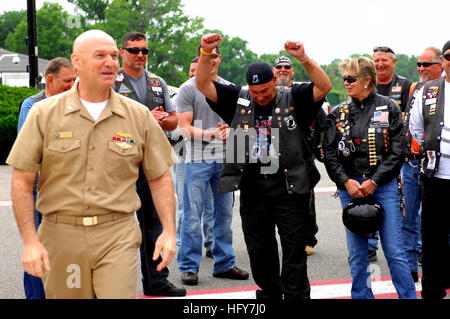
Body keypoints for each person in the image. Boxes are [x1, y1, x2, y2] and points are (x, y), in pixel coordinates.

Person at [6, 29, 177, 299]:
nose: (110, 62)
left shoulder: (138, 116)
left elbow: (160, 177)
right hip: (63, 238)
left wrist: (169, 231)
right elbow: (22, 180)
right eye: (99, 56)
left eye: (112, 55)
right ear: (77, 62)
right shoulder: (44, 113)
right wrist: (29, 240)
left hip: (117, 236)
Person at [196, 33, 332, 300]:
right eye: (255, 92)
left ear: (274, 79)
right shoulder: (238, 98)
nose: (260, 96)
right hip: (253, 189)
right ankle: (270, 292)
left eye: (266, 90)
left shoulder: (294, 96)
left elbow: (324, 85)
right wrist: (204, 53)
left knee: (294, 252)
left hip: (289, 189)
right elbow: (202, 84)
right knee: (260, 250)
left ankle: (296, 295)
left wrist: (303, 58)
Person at [323, 56, 417, 299]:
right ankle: (362, 296)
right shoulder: (338, 112)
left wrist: (374, 180)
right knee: (357, 253)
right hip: (350, 188)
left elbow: (399, 151)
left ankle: (407, 296)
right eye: (344, 78)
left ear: (367, 80)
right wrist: (345, 181)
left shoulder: (390, 107)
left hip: (383, 187)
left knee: (395, 251)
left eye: (350, 78)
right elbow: (329, 153)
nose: (345, 82)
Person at [114, 31, 184, 297]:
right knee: (119, 225)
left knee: (154, 225)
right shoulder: (112, 82)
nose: (140, 55)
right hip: (122, 162)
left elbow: (175, 120)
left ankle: (157, 282)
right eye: (134, 50)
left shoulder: (157, 82)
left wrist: (165, 120)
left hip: (152, 162)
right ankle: (116, 284)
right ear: (123, 52)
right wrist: (146, 120)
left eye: (144, 50)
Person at [176, 43, 249, 286]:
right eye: (209, 55)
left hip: (225, 159)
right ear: (201, 57)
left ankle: (224, 264)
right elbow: (184, 128)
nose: (213, 59)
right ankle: (188, 267)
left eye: (216, 55)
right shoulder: (188, 89)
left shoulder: (230, 88)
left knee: (225, 214)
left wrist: (231, 130)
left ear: (220, 58)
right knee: (192, 216)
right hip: (197, 159)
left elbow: (241, 123)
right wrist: (212, 135)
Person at [18, 57, 77, 299]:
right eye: (67, 81)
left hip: (67, 192)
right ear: (50, 80)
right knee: (37, 250)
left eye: (74, 80)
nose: (72, 85)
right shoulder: (32, 105)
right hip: (37, 191)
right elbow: (30, 151)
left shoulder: (75, 105)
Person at [272, 55, 327, 256]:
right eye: (279, 67)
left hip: (301, 157)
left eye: (287, 66)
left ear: (293, 71)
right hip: (272, 158)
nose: (283, 70)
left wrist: (319, 148)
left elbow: (323, 123)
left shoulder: (302, 93)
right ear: (273, 71)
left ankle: (307, 238)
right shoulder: (266, 93)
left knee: (304, 200)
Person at [409, 40, 450, 299]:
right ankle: (433, 293)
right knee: (433, 242)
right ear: (443, 61)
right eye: (449, 56)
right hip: (436, 177)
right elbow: (414, 127)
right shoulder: (429, 90)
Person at [401, 47, 443, 282]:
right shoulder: (416, 88)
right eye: (419, 64)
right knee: (407, 216)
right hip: (410, 164)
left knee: (434, 219)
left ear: (441, 64)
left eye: (426, 64)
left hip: (436, 166)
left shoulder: (446, 91)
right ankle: (410, 267)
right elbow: (410, 123)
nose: (421, 69)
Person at [368, 46, 412, 261]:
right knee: (369, 197)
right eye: (376, 60)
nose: (380, 64)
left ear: (393, 62)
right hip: (371, 151)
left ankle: (408, 246)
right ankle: (369, 244)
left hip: (397, 152)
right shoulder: (367, 83)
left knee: (400, 200)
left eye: (384, 60)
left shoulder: (404, 85)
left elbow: (408, 116)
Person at [173, 56, 214, 259]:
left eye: (197, 70)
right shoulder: (182, 92)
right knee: (186, 206)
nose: (193, 73)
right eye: (190, 70)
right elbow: (173, 127)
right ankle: (182, 243)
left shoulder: (215, 93)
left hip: (211, 157)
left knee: (211, 206)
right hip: (184, 157)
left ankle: (212, 244)